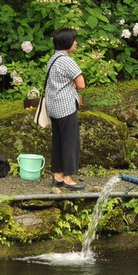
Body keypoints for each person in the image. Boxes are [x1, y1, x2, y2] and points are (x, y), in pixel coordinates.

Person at [45, 28, 86, 191]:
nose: (76, 43)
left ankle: (57, 176)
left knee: (58, 141)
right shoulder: (67, 60)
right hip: (66, 106)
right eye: (74, 40)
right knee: (70, 141)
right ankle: (68, 178)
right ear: (67, 42)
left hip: (53, 106)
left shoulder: (53, 59)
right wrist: (74, 83)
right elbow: (81, 84)